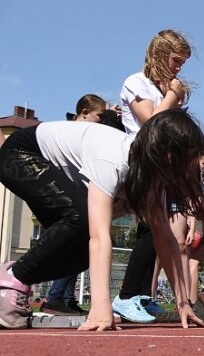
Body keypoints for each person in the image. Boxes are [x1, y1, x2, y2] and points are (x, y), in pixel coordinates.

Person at [0, 109, 204, 331]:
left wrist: (183, 304)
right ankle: (11, 282)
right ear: (165, 154)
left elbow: (167, 243)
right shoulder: (112, 159)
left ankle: (13, 277)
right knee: (83, 220)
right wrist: (101, 307)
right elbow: (100, 235)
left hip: (55, 170)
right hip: (20, 154)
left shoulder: (156, 183)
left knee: (80, 254)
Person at [113, 29, 194, 322]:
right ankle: (124, 296)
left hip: (163, 165)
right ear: (160, 54)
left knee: (154, 231)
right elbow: (151, 122)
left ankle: (140, 295)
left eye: (182, 63)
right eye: (175, 60)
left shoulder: (164, 89)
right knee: (150, 229)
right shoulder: (136, 82)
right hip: (139, 159)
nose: (178, 67)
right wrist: (173, 95)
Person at [42, 94, 123, 316]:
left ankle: (66, 298)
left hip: (77, 194)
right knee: (76, 244)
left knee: (83, 248)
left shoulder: (88, 135)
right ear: (84, 113)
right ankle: (55, 296)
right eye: (99, 116)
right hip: (63, 195)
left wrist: (110, 120)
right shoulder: (71, 133)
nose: (101, 121)